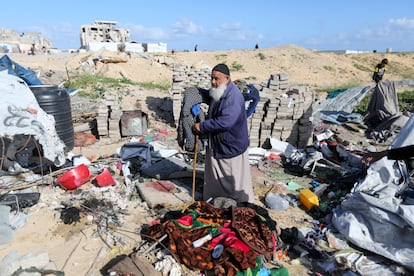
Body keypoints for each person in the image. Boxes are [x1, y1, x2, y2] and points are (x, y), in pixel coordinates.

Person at [192, 63, 254, 203]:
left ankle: (237, 205)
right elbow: (212, 96)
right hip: (220, 143)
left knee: (233, 181)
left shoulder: (232, 97)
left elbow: (226, 121)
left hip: (231, 145)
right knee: (217, 179)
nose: (213, 82)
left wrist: (202, 126)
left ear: (227, 78)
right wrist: (196, 92)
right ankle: (217, 201)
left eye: (217, 79)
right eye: (212, 78)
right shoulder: (220, 90)